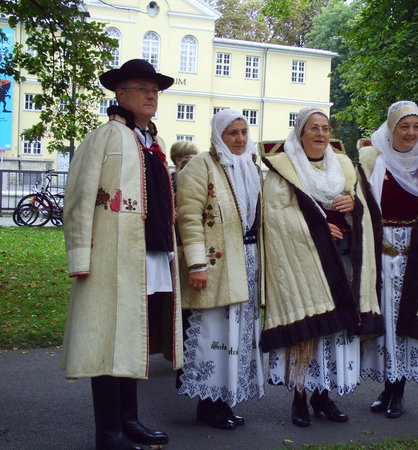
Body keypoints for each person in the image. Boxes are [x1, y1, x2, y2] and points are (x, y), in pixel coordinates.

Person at [61, 59, 183, 450]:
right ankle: (108, 432)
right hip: (111, 257)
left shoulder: (156, 144)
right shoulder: (103, 138)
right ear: (120, 93)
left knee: (134, 337)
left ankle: (129, 420)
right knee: (107, 340)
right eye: (142, 88)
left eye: (155, 90)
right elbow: (78, 200)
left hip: (150, 254)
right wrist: (81, 256)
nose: (151, 95)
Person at [261, 107, 383, 427]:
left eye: (325, 128)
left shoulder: (343, 164)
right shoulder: (283, 168)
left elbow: (368, 207)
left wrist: (354, 207)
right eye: (313, 128)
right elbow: (275, 215)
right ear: (300, 132)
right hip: (305, 259)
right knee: (309, 329)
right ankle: (300, 398)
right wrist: (316, 226)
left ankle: (324, 396)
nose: (320, 134)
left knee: (335, 330)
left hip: (340, 258)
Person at [358, 101, 418, 418]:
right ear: (391, 128)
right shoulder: (372, 160)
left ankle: (398, 392)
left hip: (416, 255)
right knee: (385, 323)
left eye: (415, 126)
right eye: (403, 126)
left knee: (405, 322)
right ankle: (387, 386)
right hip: (381, 254)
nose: (410, 133)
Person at [176, 109, 264, 430]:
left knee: (238, 334)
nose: (240, 139)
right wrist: (197, 263)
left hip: (248, 262)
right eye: (232, 133)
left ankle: (225, 400)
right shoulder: (201, 166)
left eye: (243, 132)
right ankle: (208, 404)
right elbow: (188, 216)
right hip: (216, 266)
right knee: (214, 333)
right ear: (218, 135)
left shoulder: (251, 167)